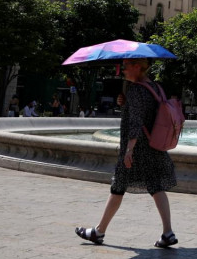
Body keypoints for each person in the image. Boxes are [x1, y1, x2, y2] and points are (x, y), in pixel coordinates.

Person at [75, 58, 177, 248]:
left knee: (118, 186)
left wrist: (129, 150)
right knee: (155, 186)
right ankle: (168, 232)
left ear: (137, 67)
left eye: (126, 66)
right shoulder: (155, 87)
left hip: (138, 147)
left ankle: (98, 231)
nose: (122, 70)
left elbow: (136, 122)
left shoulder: (137, 90)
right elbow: (147, 113)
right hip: (153, 145)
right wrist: (125, 103)